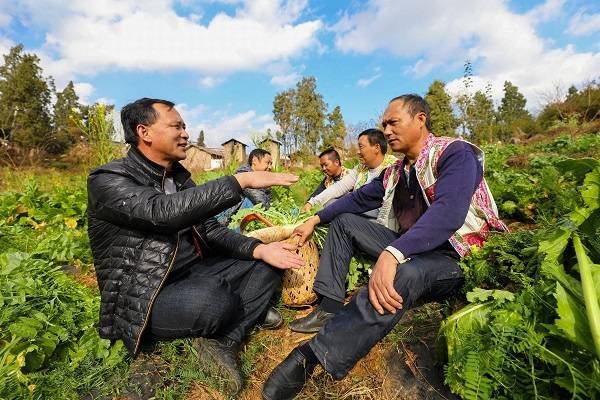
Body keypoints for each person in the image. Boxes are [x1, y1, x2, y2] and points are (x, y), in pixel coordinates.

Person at [262, 94, 508, 400]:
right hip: (410, 245)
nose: (387, 130)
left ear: (420, 120)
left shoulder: (454, 154)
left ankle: (309, 357)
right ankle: (328, 308)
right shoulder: (396, 171)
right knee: (345, 221)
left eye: (393, 122)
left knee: (402, 275)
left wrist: (393, 254)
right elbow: (356, 199)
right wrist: (314, 219)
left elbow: (449, 213)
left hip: (454, 253)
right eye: (384, 124)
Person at [86, 98, 305, 396]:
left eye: (185, 126)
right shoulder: (109, 179)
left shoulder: (179, 179)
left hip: (197, 272)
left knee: (267, 265)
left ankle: (225, 340)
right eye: (176, 126)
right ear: (144, 132)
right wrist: (240, 181)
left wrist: (259, 249)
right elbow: (161, 213)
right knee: (216, 300)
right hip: (149, 293)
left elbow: (210, 230)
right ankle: (239, 310)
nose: (185, 134)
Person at [302, 129, 397, 217]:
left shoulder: (393, 168)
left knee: (339, 212)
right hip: (356, 211)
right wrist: (312, 202)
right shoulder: (360, 168)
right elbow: (339, 187)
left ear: (376, 147)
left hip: (380, 218)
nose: (357, 152)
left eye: (361, 147)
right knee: (330, 203)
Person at [218, 148, 273, 226]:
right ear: (254, 161)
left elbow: (269, 200)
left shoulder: (263, 178)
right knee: (250, 202)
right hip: (229, 219)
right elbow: (259, 199)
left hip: (245, 216)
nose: (270, 167)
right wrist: (273, 214)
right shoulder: (243, 174)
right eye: (267, 163)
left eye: (271, 164)